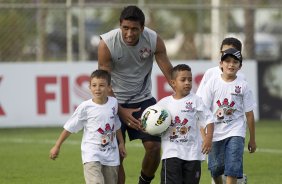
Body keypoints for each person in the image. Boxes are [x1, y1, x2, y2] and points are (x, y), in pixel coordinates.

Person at [97, 5, 173, 184]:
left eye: (134, 29)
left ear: (142, 29)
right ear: (120, 25)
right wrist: (121, 111)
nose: (129, 33)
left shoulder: (153, 40)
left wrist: (185, 99)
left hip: (144, 100)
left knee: (154, 147)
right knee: (116, 156)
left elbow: (170, 74)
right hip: (115, 103)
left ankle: (144, 182)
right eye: (125, 28)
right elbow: (105, 83)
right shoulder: (107, 43)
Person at [49, 70, 126, 184]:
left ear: (109, 87)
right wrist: (57, 145)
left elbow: (116, 124)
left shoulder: (113, 103)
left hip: (111, 155)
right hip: (92, 154)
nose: (97, 89)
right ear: (89, 87)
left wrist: (121, 143)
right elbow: (70, 127)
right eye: (94, 85)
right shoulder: (85, 107)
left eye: (101, 85)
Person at [200, 48, 257, 184]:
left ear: (240, 66)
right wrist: (204, 137)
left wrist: (252, 139)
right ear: (221, 64)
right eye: (227, 61)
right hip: (214, 133)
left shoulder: (243, 86)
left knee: (232, 168)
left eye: (235, 62)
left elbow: (249, 114)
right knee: (215, 169)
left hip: (236, 132)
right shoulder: (212, 83)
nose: (231, 64)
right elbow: (203, 112)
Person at [157, 64, 214, 184]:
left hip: (192, 155)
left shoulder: (196, 100)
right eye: (183, 80)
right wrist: (146, 127)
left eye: (189, 79)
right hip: (171, 154)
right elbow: (151, 122)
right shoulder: (163, 104)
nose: (187, 82)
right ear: (173, 83)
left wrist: (208, 138)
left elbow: (209, 119)